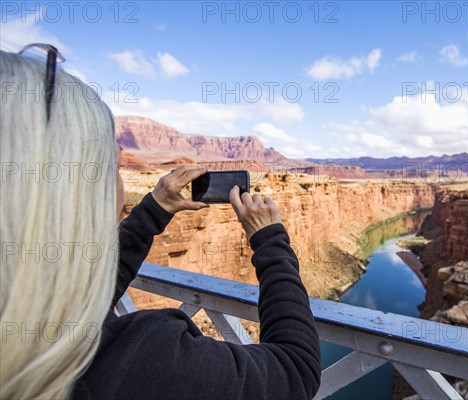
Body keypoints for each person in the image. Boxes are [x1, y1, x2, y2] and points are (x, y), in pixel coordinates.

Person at [0, 46, 321, 399]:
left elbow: (87, 296)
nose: (120, 185)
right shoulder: (141, 360)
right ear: (75, 195)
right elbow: (296, 370)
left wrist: (154, 209)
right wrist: (271, 241)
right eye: (114, 168)